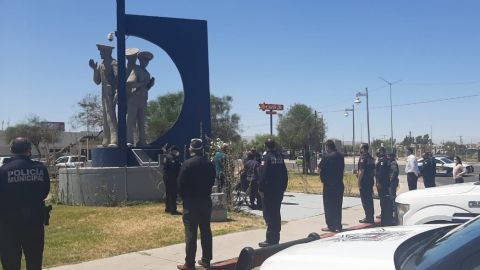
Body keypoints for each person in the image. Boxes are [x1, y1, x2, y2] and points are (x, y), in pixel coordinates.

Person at [0, 137, 50, 270]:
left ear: (11, 150)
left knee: (10, 261)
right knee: (34, 259)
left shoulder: (3, 170)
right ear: (29, 150)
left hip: (8, 223)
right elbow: (44, 192)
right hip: (34, 221)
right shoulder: (40, 169)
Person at [177, 139, 215, 270]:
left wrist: (184, 198)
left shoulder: (187, 164)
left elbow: (180, 184)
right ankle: (206, 260)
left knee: (191, 233)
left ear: (191, 149)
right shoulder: (209, 164)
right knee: (206, 231)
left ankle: (189, 263)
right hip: (205, 201)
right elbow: (212, 181)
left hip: (191, 202)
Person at [258, 139, 288, 247]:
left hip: (269, 191)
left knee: (269, 214)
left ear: (266, 146)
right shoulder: (280, 157)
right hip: (278, 190)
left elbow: (263, 173)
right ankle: (276, 237)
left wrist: (260, 188)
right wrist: (284, 186)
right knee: (276, 212)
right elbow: (285, 173)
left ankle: (270, 239)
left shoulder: (267, 157)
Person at [89, 44, 118, 147]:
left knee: (111, 115)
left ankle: (115, 138)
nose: (100, 54)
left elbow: (118, 78)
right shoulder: (101, 65)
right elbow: (97, 81)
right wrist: (94, 69)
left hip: (111, 92)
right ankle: (107, 138)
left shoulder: (114, 63)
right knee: (105, 117)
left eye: (102, 52)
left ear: (108, 52)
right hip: (104, 93)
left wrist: (118, 92)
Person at [126, 51, 155, 146]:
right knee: (131, 121)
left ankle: (142, 141)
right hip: (134, 98)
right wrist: (143, 83)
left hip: (143, 99)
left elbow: (146, 88)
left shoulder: (147, 73)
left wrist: (150, 85)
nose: (145, 62)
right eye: (144, 60)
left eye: (147, 61)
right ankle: (129, 141)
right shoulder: (135, 69)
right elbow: (130, 83)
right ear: (140, 60)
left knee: (142, 122)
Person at [318, 140, 345, 232]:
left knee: (329, 206)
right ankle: (338, 225)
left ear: (327, 147)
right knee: (338, 205)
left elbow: (319, 168)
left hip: (329, 185)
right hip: (339, 184)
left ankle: (330, 225)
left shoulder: (326, 156)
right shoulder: (341, 156)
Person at [357, 143, 376, 223]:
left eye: (360, 148)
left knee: (365, 200)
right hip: (370, 181)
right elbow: (374, 171)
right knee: (370, 199)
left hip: (364, 182)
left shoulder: (363, 158)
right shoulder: (371, 158)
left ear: (362, 149)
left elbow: (361, 171)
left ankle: (368, 217)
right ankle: (370, 216)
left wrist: (358, 182)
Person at [375, 147, 393, 226]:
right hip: (386, 183)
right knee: (385, 200)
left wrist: (378, 182)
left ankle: (384, 217)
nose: (378, 153)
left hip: (383, 184)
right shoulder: (387, 160)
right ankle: (386, 216)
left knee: (383, 200)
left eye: (379, 151)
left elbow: (380, 173)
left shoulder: (383, 161)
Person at [163, 145, 182, 215]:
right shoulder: (171, 158)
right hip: (171, 178)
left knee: (168, 193)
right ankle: (173, 210)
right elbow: (173, 167)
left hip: (167, 177)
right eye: (176, 151)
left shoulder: (167, 157)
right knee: (173, 194)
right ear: (173, 151)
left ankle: (168, 208)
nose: (177, 152)